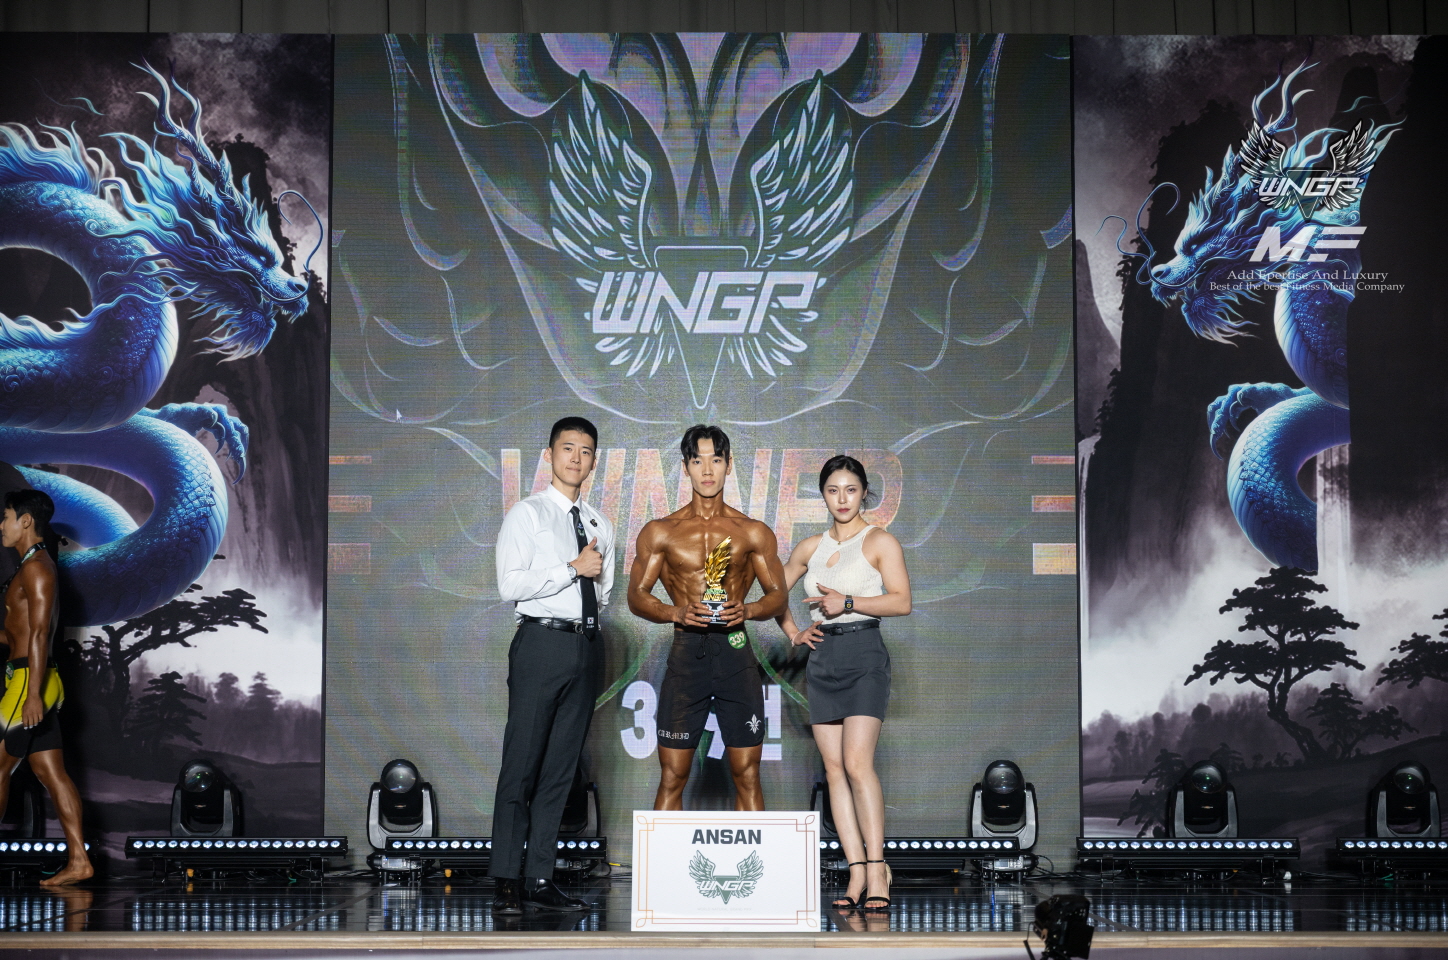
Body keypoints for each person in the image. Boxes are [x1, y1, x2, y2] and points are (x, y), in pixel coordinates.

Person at [489, 417, 615, 915]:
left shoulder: (600, 524)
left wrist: (586, 596)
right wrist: (570, 569)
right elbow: (509, 585)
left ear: (594, 461)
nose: (576, 458)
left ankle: (539, 878)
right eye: (568, 448)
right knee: (522, 763)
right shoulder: (528, 513)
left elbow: (603, 593)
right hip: (541, 642)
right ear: (549, 455)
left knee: (562, 769)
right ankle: (506, 878)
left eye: (585, 451)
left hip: (586, 645)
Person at [628, 424, 788, 811]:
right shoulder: (660, 532)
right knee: (672, 775)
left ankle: (755, 854)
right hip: (687, 652)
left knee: (747, 773)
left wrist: (748, 609)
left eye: (715, 460)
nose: (707, 470)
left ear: (729, 464)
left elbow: (779, 596)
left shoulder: (752, 532)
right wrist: (676, 611)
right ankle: (663, 856)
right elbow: (636, 596)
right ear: (685, 466)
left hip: (735, 651)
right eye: (698, 461)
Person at [776, 455, 910, 913]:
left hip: (864, 654)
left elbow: (902, 601)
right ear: (823, 495)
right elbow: (773, 592)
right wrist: (793, 631)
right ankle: (855, 872)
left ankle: (877, 869)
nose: (842, 499)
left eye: (851, 489)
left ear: (864, 493)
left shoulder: (880, 541)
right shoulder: (810, 546)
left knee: (856, 764)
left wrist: (848, 601)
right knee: (833, 769)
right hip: (823, 658)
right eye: (833, 490)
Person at [0, 489, 93, 886]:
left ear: (25, 521)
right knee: (51, 773)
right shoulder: (31, 566)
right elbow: (19, 634)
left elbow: (40, 634)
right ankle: (80, 861)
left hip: (29, 682)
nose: (1, 525)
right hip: (35, 677)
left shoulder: (37, 568)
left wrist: (33, 694)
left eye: (5, 517)